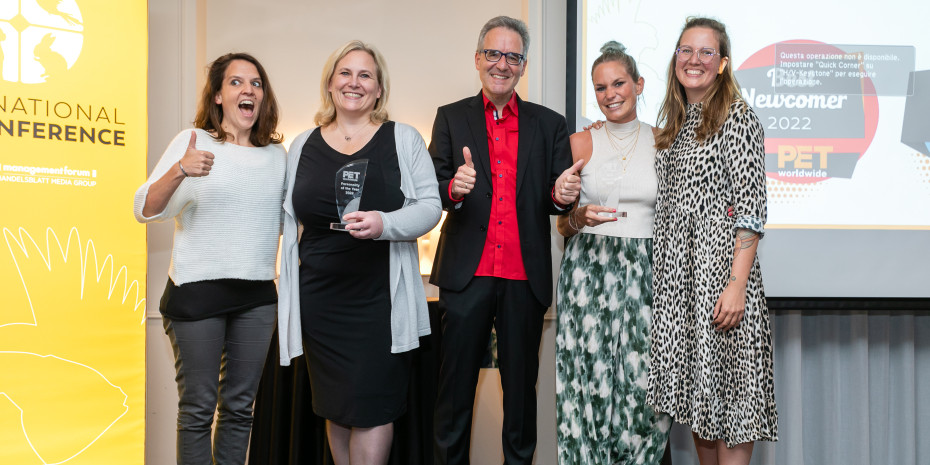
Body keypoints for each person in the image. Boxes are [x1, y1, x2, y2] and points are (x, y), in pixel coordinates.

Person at [276, 40, 441, 465]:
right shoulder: (302, 145)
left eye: (365, 75)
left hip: (380, 301)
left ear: (380, 89)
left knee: (371, 408)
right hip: (320, 299)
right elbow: (284, 214)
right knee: (336, 407)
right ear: (330, 84)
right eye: (345, 73)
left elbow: (429, 207)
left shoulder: (402, 139)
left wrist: (385, 224)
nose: (354, 82)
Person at [429, 16, 582, 465]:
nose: (502, 64)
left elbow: (556, 196)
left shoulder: (549, 124)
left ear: (523, 66)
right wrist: (452, 188)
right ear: (478, 59)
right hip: (465, 276)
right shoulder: (450, 117)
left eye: (512, 56)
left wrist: (563, 193)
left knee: (520, 398)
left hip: (523, 277)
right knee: (453, 396)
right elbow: (434, 186)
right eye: (493, 54)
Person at [133, 52, 285, 464]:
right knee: (198, 410)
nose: (247, 90)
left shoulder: (277, 156)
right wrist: (180, 170)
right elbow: (145, 208)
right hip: (196, 295)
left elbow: (291, 221)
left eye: (255, 83)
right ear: (218, 96)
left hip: (256, 297)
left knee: (240, 410)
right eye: (236, 83)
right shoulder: (192, 141)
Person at [646, 17, 778, 465]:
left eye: (706, 52)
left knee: (734, 405)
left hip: (722, 285)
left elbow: (751, 211)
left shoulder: (738, 116)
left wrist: (736, 286)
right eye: (686, 50)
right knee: (703, 408)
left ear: (722, 64)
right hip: (682, 290)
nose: (694, 60)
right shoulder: (673, 126)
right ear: (675, 59)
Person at [554, 41, 671, 465]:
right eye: (600, 87)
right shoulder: (580, 143)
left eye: (619, 83)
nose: (610, 94)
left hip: (649, 272)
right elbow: (561, 224)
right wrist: (579, 217)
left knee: (645, 389)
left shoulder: (665, 142)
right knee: (588, 384)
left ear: (639, 85)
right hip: (588, 271)